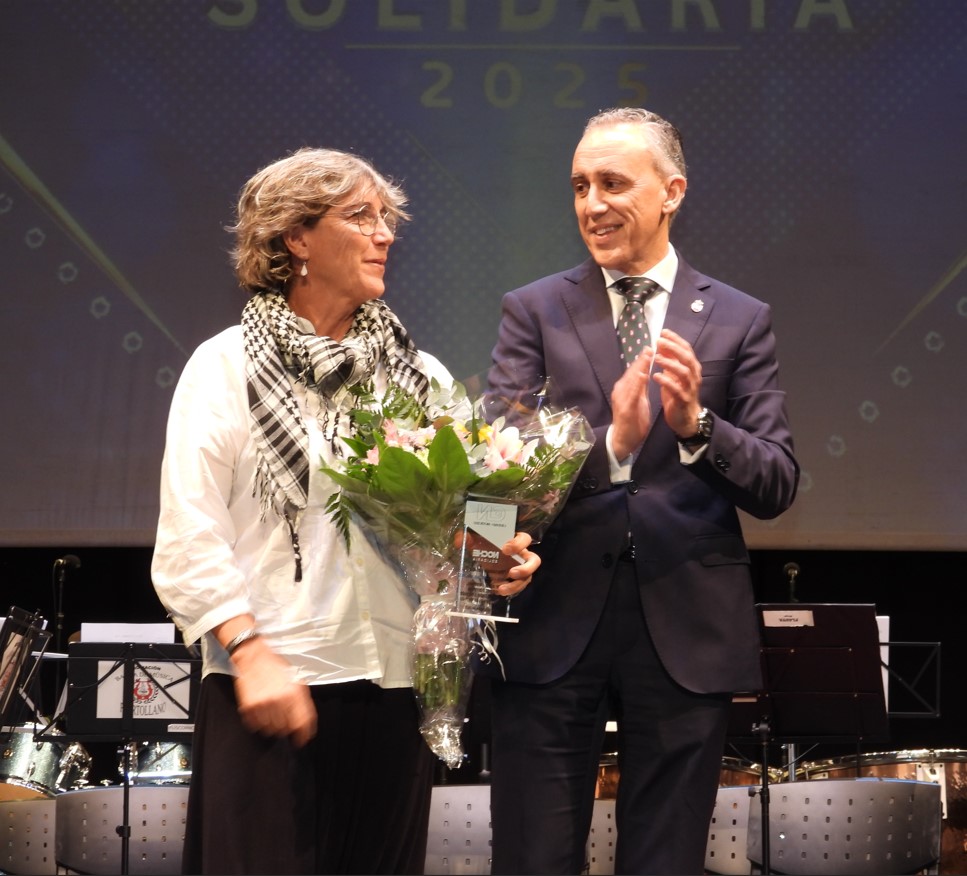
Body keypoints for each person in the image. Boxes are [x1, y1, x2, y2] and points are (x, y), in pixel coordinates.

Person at [151, 147, 539, 875]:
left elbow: (469, 508)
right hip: (266, 685)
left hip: (394, 688)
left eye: (386, 218)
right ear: (296, 237)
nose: (384, 233)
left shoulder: (414, 374)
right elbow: (188, 535)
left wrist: (493, 562)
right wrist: (250, 652)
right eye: (361, 216)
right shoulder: (225, 367)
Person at [481, 108, 800, 875]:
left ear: (671, 192)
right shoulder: (534, 309)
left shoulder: (737, 318)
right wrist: (612, 446)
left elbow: (776, 481)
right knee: (531, 856)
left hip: (685, 627)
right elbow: (492, 475)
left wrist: (695, 427)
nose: (592, 203)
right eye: (580, 186)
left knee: (665, 860)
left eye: (613, 183)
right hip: (550, 622)